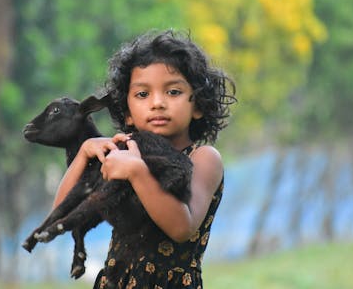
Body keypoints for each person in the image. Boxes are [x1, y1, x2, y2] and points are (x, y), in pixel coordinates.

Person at [52, 29, 236, 288]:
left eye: (173, 92)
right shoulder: (122, 155)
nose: (157, 103)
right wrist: (83, 154)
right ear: (127, 112)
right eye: (142, 94)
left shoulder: (203, 159)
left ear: (198, 106)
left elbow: (182, 227)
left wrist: (138, 173)